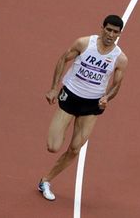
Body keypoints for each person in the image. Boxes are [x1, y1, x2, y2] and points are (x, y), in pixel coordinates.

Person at [38, 15, 128, 200]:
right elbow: (63, 59)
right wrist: (54, 88)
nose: (111, 34)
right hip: (71, 95)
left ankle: (46, 180)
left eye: (115, 32)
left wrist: (107, 98)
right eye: (108, 30)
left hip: (92, 104)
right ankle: (61, 132)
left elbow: (116, 85)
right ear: (102, 28)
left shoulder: (120, 58)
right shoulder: (84, 43)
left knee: (75, 149)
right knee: (53, 146)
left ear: (120, 34)